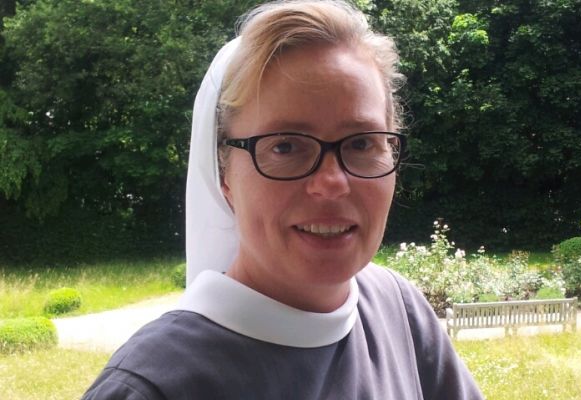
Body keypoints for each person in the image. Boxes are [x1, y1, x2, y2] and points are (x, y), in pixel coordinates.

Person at [83, 1, 484, 399]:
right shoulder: (152, 389)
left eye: (362, 143)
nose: (331, 183)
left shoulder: (398, 310)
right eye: (286, 146)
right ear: (223, 174)